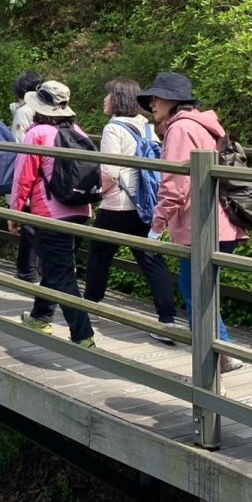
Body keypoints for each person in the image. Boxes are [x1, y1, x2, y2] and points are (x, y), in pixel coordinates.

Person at [141, 72, 244, 373]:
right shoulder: (203, 124)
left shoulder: (180, 129)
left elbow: (174, 185)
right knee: (202, 292)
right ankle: (222, 354)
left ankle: (219, 358)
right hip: (221, 220)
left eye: (157, 97)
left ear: (174, 100)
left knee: (196, 294)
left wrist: (156, 225)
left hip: (200, 224)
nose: (152, 103)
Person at [84, 79, 177, 343]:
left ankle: (91, 306)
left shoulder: (114, 129)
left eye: (108, 96)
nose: (105, 101)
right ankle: (167, 321)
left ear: (118, 99)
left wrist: (97, 193)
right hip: (145, 205)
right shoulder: (148, 126)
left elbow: (109, 170)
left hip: (117, 204)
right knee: (151, 260)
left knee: (99, 256)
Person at [11, 80, 96, 348]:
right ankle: (40, 317)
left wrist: (15, 213)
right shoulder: (78, 131)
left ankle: (83, 336)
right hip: (82, 211)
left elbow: (22, 178)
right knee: (57, 268)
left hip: (50, 215)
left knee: (62, 274)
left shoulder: (37, 134)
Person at [9, 70, 43, 283]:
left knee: (28, 222)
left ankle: (27, 271)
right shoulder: (43, 109)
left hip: (30, 172)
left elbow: (20, 146)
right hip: (45, 174)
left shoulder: (24, 112)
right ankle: (31, 270)